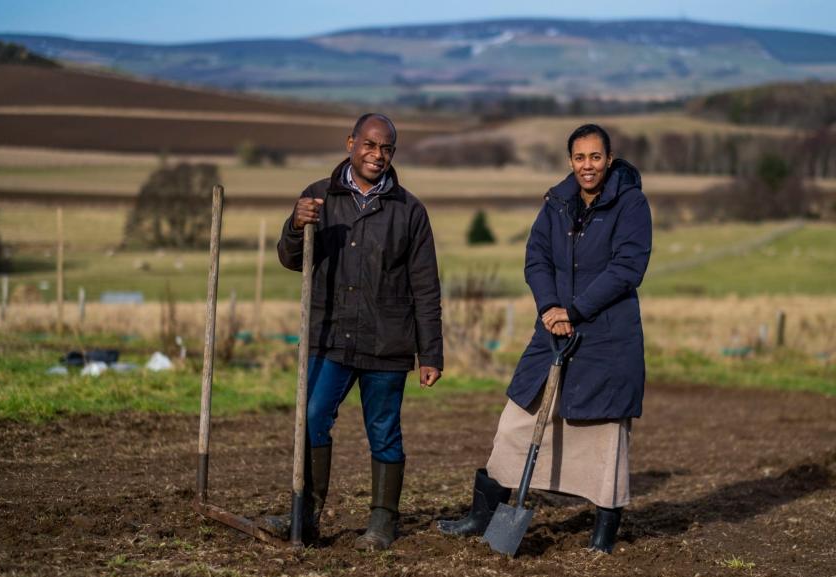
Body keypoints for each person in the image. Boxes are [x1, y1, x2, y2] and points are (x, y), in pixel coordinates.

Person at [437, 123, 652, 553]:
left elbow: (627, 267)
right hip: (552, 331)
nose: (586, 166)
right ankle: (483, 517)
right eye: (579, 158)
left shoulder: (631, 204)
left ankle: (603, 534)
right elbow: (536, 258)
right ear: (569, 161)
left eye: (595, 157)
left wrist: (575, 311)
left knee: (605, 432)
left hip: (606, 338)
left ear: (608, 160)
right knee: (517, 418)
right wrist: (550, 308)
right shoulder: (556, 203)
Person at [261, 113, 443, 550]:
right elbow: (290, 259)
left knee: (384, 430)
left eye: (387, 149)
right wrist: (294, 225)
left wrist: (430, 352)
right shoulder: (318, 198)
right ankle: (305, 515)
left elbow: (425, 285)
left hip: (388, 342)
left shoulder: (410, 210)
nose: (378, 155)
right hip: (330, 336)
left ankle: (382, 523)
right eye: (370, 145)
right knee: (312, 419)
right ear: (350, 143)